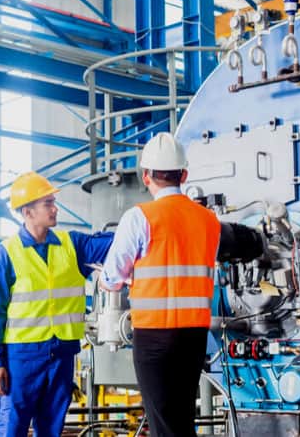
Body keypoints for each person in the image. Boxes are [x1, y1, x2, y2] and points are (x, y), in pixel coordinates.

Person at [100, 132, 221, 437]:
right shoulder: (209, 221)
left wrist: (111, 280)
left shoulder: (139, 217)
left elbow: (113, 276)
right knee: (181, 420)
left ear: (146, 176)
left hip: (155, 336)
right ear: (184, 175)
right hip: (194, 337)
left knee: (163, 424)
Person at [0, 171, 113, 437]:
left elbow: (113, 244)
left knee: (52, 429)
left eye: (54, 202)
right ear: (28, 212)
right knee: (12, 427)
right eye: (47, 204)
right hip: (21, 358)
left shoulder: (71, 244)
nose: (55, 209)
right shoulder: (6, 254)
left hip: (62, 355)